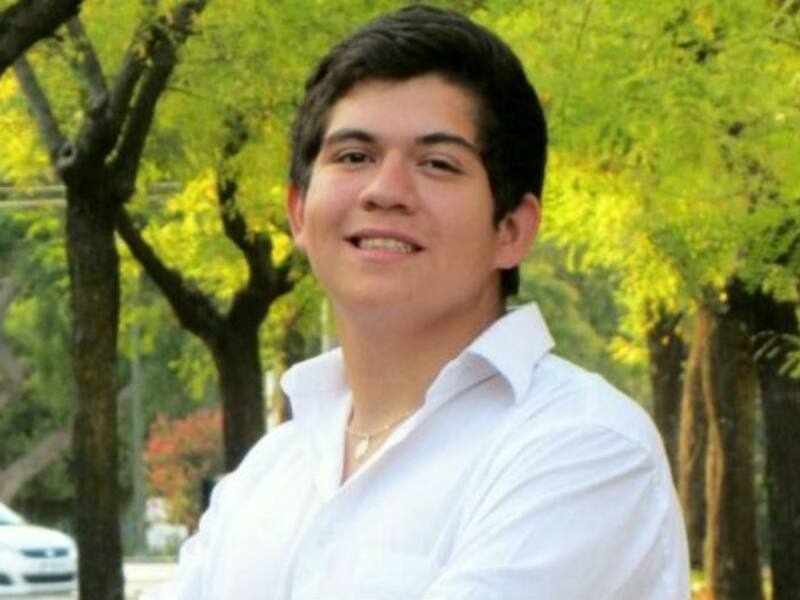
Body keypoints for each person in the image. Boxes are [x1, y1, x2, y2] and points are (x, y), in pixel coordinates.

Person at [153, 5, 690, 599]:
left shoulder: (583, 446)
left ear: (511, 229)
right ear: (299, 212)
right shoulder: (269, 472)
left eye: (438, 163)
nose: (385, 191)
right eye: (354, 156)